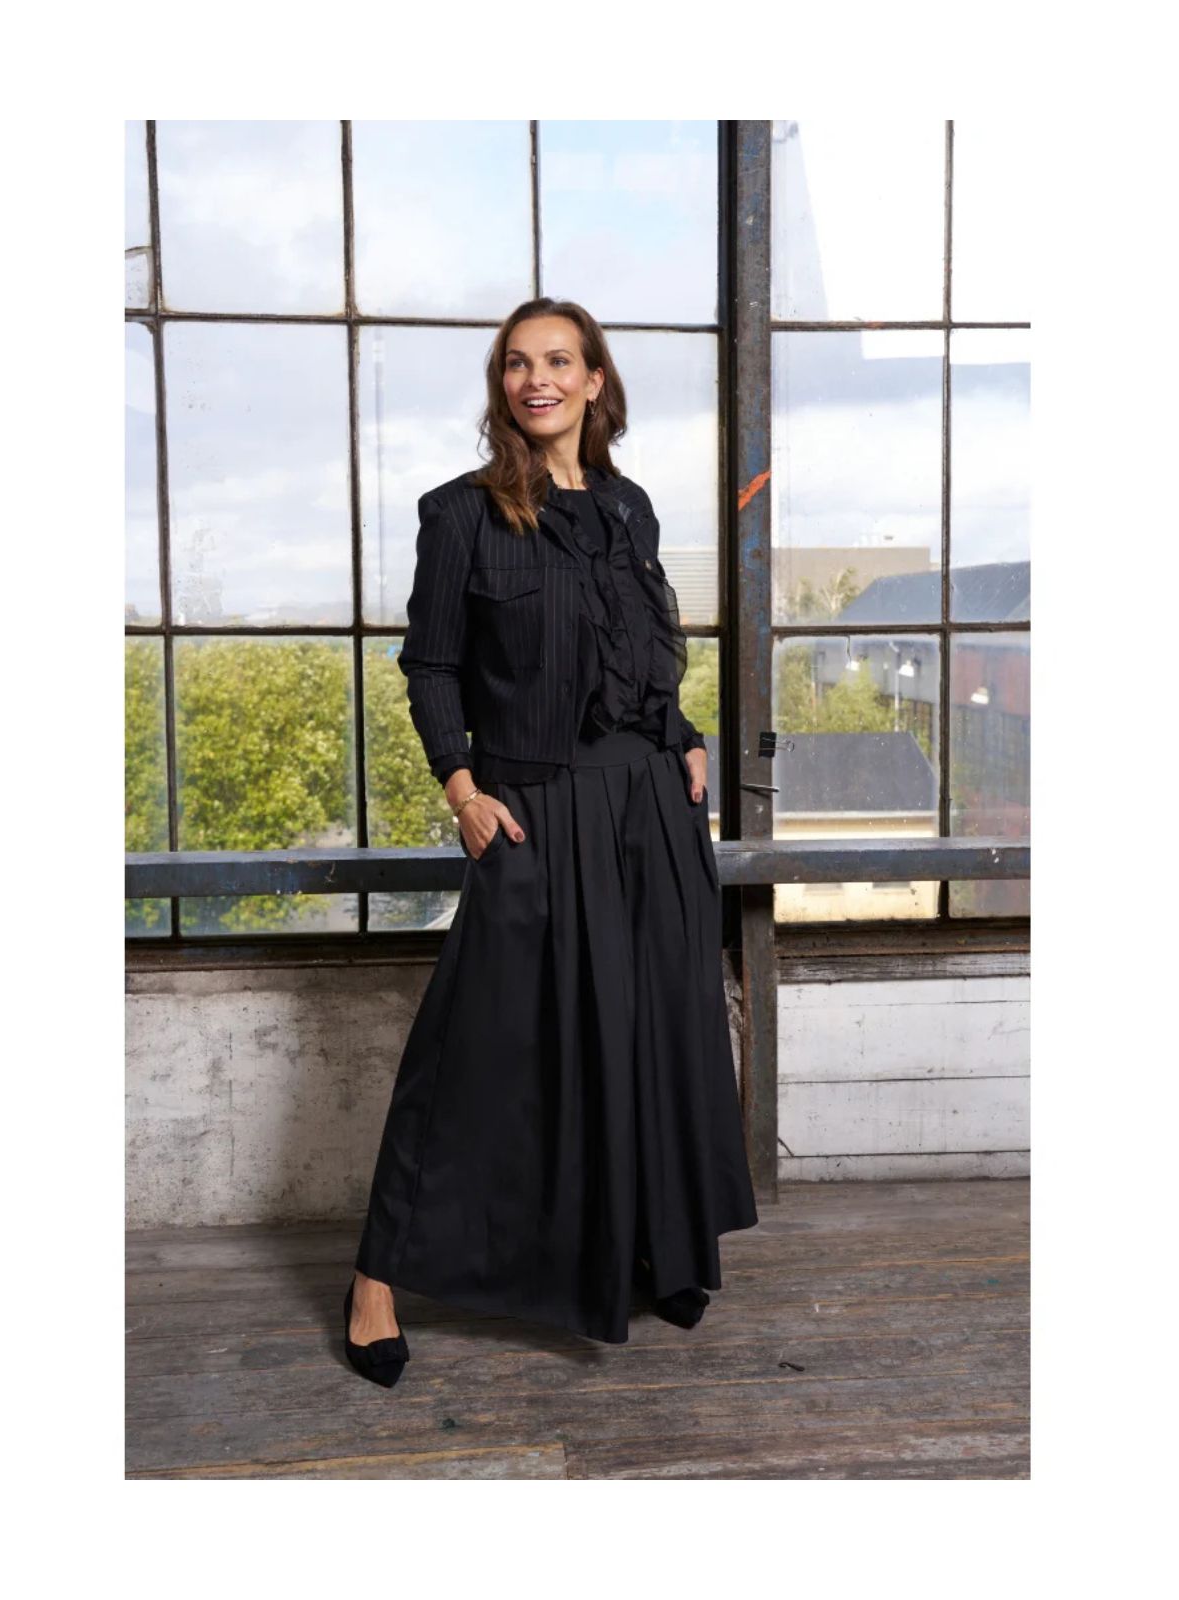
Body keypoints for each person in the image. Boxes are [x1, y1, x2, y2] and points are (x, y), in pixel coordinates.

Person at [344, 296, 758, 1388]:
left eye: (559, 361)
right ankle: (377, 1278)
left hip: (649, 807)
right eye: (518, 363)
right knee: (478, 1046)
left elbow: (640, 651)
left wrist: (684, 736)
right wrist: (461, 787)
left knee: (654, 1028)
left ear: (593, 381)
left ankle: (658, 1247)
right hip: (532, 805)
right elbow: (432, 664)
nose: (538, 379)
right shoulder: (463, 515)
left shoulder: (630, 508)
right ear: (503, 386)